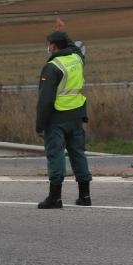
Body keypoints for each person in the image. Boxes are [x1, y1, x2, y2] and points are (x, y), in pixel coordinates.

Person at [35, 29, 91, 208]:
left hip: (57, 117)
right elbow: (74, 47)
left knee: (56, 155)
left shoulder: (53, 66)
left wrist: (39, 125)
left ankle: (55, 197)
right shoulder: (77, 59)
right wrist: (65, 33)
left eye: (49, 45)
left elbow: (45, 100)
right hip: (76, 114)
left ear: (53, 46)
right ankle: (85, 196)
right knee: (78, 154)